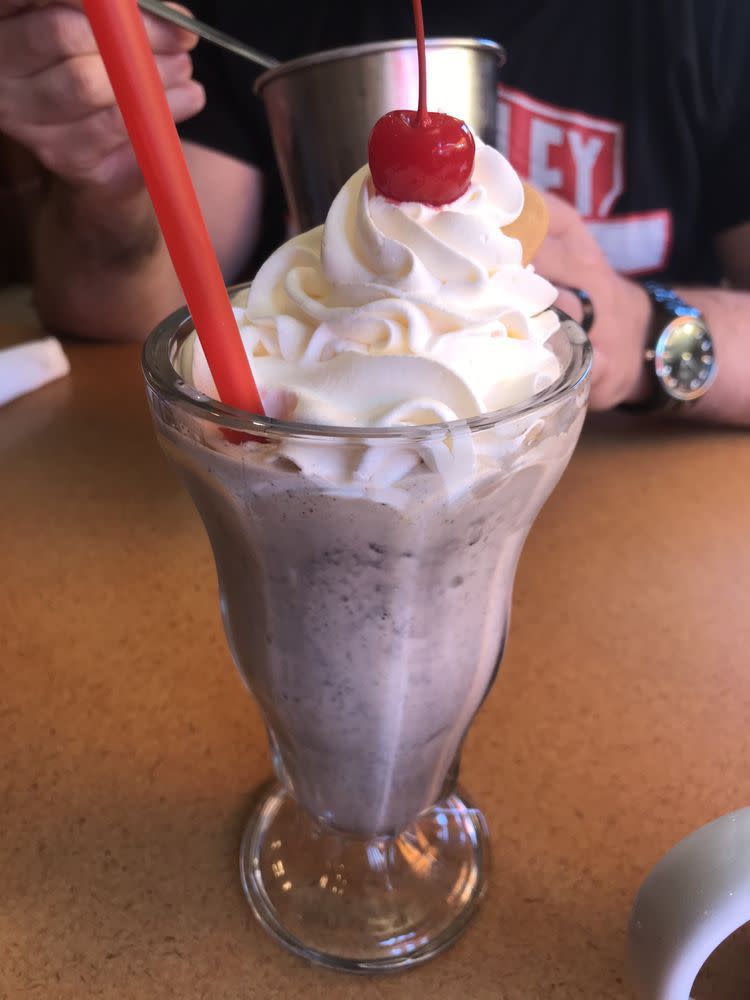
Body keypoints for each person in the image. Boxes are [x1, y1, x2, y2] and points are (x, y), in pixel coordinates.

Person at [0, 0, 747, 424]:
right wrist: (111, 178)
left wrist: (648, 332)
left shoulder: (709, 23)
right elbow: (127, 308)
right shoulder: (257, 16)